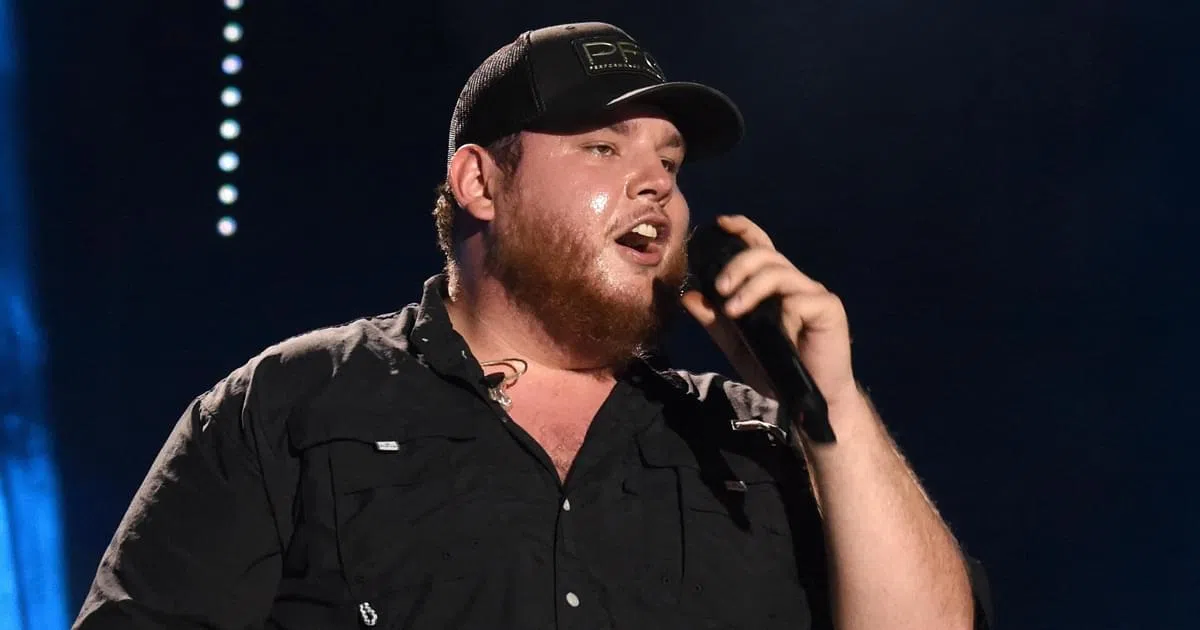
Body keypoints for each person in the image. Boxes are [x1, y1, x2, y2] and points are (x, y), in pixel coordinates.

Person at [74, 21, 994, 630]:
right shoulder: (292, 405)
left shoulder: (752, 437)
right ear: (481, 182)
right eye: (602, 147)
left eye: (670, 162)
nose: (656, 184)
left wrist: (830, 406)